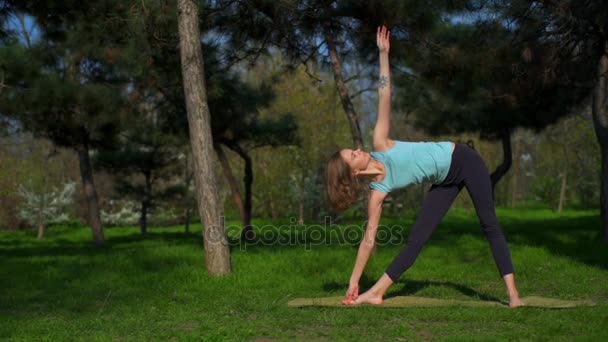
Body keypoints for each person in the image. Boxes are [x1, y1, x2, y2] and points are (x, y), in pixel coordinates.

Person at [325, 26, 524, 308]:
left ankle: (514, 296)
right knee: (416, 240)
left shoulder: (379, 143)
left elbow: (384, 95)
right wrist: (353, 280)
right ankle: (377, 292)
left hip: (465, 160)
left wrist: (383, 55)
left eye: (353, 149)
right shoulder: (377, 193)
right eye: (352, 155)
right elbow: (368, 241)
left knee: (489, 223)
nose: (357, 150)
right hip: (445, 179)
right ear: (354, 172)